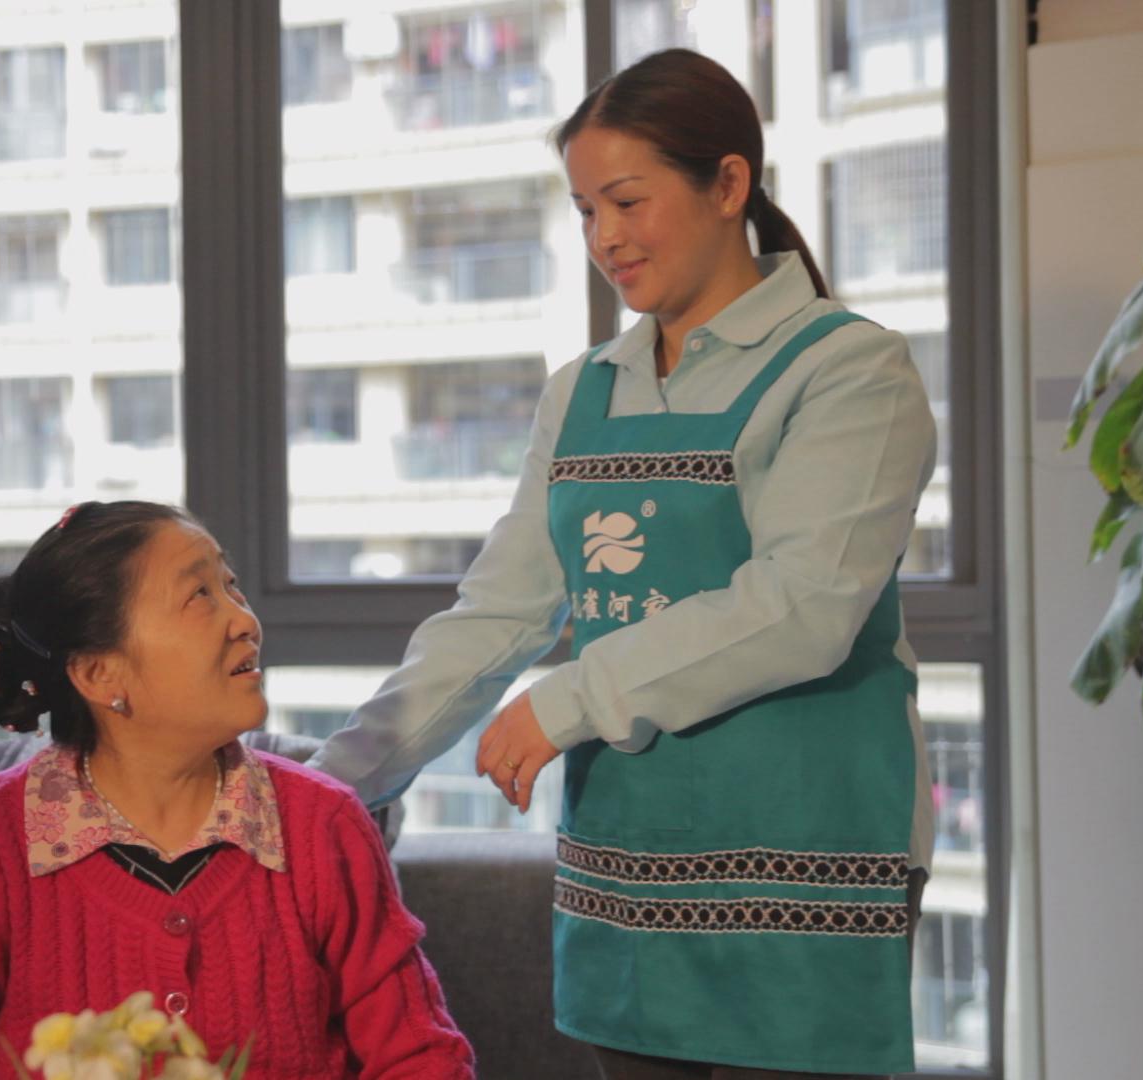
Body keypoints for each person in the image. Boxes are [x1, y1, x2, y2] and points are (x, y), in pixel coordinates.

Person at [309, 48, 937, 1080]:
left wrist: (569, 700)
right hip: (629, 864)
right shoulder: (583, 392)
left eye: (628, 201)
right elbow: (499, 615)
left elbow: (805, 604)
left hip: (805, 853)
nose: (605, 237)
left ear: (728, 184)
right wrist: (329, 787)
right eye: (585, 210)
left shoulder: (848, 368)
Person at [0, 500, 474, 1080]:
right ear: (99, 673)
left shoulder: (321, 824)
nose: (245, 620)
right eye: (200, 595)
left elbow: (423, 1060)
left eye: (231, 585)